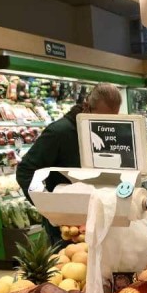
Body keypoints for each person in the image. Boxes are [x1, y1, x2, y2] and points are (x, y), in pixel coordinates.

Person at [16, 83, 123, 246]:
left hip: (98, 217)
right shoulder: (59, 132)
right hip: (66, 229)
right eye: (100, 118)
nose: (105, 124)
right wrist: (50, 209)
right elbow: (25, 170)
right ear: (87, 107)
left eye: (110, 119)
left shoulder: (102, 132)